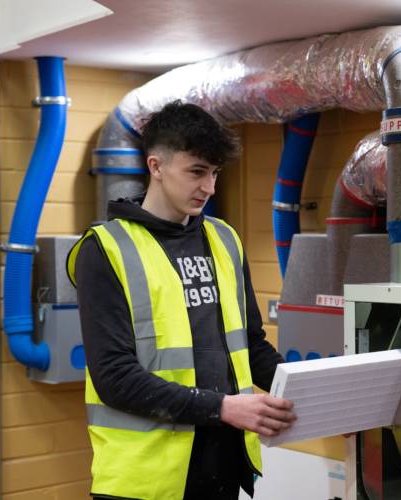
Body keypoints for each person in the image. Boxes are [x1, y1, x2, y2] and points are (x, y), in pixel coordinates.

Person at [67, 101, 295, 500]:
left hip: (224, 466)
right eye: (196, 172)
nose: (209, 187)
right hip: (144, 481)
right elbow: (114, 377)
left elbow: (252, 346)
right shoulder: (105, 249)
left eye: (215, 173)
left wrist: (313, 400)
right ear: (156, 166)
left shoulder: (224, 239)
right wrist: (222, 407)